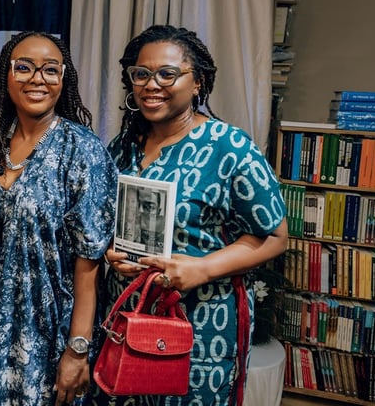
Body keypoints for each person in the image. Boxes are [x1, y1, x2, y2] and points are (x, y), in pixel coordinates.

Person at [93, 25, 288, 406]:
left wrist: (203, 268)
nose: (152, 84)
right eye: (141, 74)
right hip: (128, 314)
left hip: (201, 323)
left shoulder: (229, 147)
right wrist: (112, 253)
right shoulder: (124, 146)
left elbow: (275, 236)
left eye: (167, 74)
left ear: (197, 82)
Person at [0, 31, 118, 405]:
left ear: (63, 78)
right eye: (24, 68)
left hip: (53, 333)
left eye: (50, 70)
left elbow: (89, 265)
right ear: (5, 75)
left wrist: (78, 349)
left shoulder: (82, 150)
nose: (37, 79)